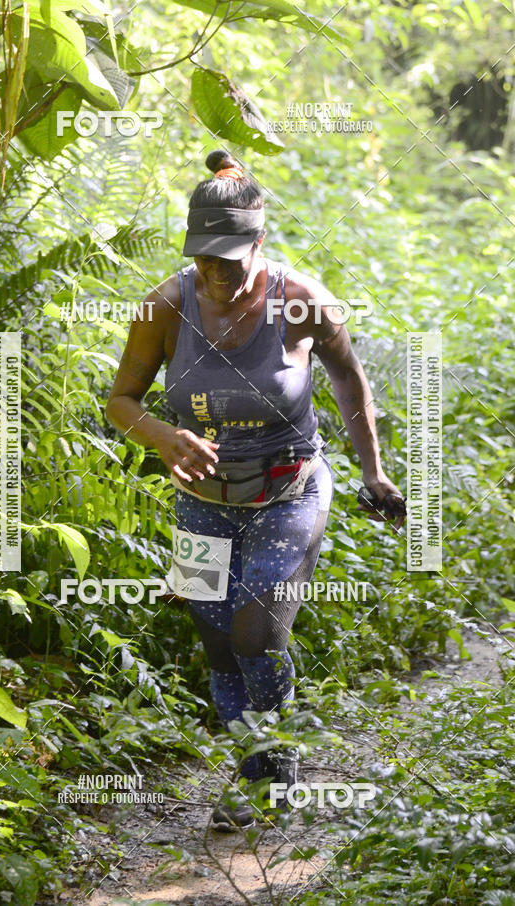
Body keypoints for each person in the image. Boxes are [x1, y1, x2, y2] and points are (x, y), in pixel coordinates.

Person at [105, 150, 406, 831]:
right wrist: (159, 434)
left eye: (232, 262)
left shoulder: (299, 302)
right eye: (205, 260)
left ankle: (261, 772)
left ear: (259, 243)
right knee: (216, 642)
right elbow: (121, 399)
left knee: (255, 629)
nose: (217, 276)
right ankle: (263, 758)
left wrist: (373, 471)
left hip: (289, 488)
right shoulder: (163, 307)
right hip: (201, 501)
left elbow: (348, 380)